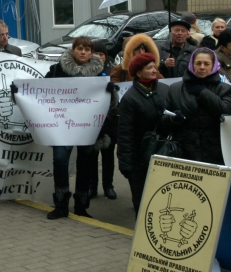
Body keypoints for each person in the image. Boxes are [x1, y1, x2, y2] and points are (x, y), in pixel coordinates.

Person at [45, 37, 107, 219]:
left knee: (85, 164)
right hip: (62, 126)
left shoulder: (99, 74)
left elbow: (110, 105)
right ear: (73, 50)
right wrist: (19, 91)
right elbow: (39, 91)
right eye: (79, 48)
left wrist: (111, 93)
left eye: (87, 49)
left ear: (92, 53)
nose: (83, 52)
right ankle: (61, 205)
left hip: (87, 127)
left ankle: (81, 205)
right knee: (60, 160)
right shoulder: (57, 70)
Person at [118, 54, 172, 213]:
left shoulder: (165, 90)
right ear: (138, 72)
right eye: (149, 68)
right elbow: (125, 132)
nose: (155, 70)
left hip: (163, 152)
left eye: (154, 66)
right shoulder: (130, 98)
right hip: (140, 157)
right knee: (142, 200)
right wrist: (126, 162)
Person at [166, 48, 231, 165]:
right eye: (198, 63)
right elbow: (163, 118)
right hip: (184, 151)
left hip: (214, 152)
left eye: (207, 64)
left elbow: (225, 111)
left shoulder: (223, 88)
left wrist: (202, 92)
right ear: (192, 65)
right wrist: (172, 119)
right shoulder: (175, 89)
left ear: (214, 65)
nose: (202, 67)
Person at [91, 41, 117, 200]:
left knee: (108, 157)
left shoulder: (111, 72)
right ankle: (92, 187)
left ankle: (108, 186)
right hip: (91, 122)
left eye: (101, 54)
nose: (99, 57)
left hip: (109, 122)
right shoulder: (86, 73)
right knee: (91, 157)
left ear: (105, 57)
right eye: (96, 54)